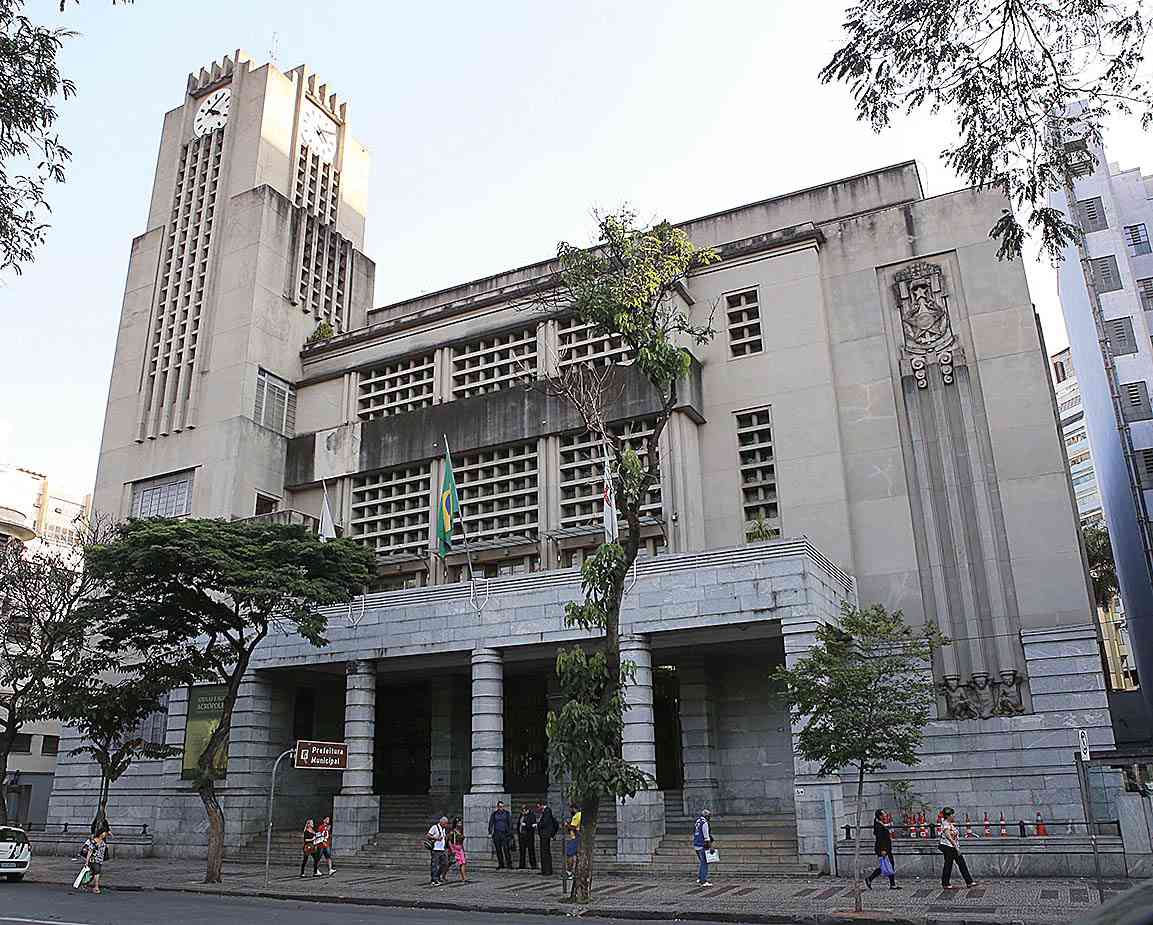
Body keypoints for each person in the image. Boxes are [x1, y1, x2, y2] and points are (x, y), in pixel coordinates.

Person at [938, 806, 976, 889]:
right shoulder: (945, 824)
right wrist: (956, 848)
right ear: (948, 816)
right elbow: (949, 837)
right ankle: (947, 883)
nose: (953, 816)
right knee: (952, 864)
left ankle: (968, 881)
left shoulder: (949, 824)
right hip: (948, 847)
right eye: (952, 815)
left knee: (955, 864)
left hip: (951, 846)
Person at [865, 809, 898, 890]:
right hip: (883, 849)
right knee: (888, 865)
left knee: (888, 865)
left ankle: (891, 884)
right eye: (883, 814)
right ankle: (870, 879)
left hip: (886, 848)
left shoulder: (881, 823)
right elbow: (880, 839)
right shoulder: (878, 825)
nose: (885, 815)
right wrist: (883, 850)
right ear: (880, 816)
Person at [82, 829, 109, 895]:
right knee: (97, 873)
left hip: (99, 860)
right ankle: (96, 887)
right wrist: (87, 862)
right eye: (104, 833)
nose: (105, 834)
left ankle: (85, 884)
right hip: (94, 860)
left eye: (105, 833)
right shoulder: (94, 841)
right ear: (100, 833)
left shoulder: (102, 841)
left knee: (92, 874)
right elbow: (90, 851)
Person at [488, 800, 513, 870]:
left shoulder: (507, 813)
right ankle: (501, 864)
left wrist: (510, 833)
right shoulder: (494, 814)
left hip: (505, 834)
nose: (501, 808)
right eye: (500, 806)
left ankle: (509, 864)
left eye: (502, 806)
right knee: (498, 850)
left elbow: (510, 823)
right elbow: (491, 823)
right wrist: (490, 832)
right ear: (497, 807)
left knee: (506, 850)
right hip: (497, 834)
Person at [536, 801, 558, 876]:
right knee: (543, 852)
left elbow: (545, 822)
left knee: (545, 852)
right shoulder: (545, 811)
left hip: (545, 835)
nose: (538, 809)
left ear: (542, 805)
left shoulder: (547, 811)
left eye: (538, 806)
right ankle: (544, 870)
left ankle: (547, 871)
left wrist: (538, 824)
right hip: (544, 835)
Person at [692, 809, 713, 886]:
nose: (710, 818)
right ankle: (703, 880)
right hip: (702, 845)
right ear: (706, 816)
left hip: (696, 844)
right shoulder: (704, 823)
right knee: (704, 863)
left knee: (702, 862)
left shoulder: (698, 821)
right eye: (709, 816)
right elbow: (706, 836)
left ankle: (700, 877)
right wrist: (710, 846)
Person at [427, 815, 449, 886]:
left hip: (442, 849)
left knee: (445, 863)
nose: (446, 825)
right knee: (435, 865)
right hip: (435, 849)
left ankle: (437, 876)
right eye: (445, 823)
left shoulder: (443, 829)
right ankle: (434, 880)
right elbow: (428, 835)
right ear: (442, 822)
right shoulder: (434, 827)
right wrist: (436, 838)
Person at [564, 802, 582, 881]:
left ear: (574, 809)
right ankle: (575, 872)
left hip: (575, 837)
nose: (570, 811)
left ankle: (569, 872)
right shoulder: (580, 815)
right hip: (578, 837)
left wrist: (566, 825)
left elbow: (573, 827)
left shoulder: (576, 816)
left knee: (569, 854)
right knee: (575, 855)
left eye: (571, 809)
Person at [517, 804, 538, 870]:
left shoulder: (532, 815)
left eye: (524, 811)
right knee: (522, 851)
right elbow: (518, 823)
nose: (523, 812)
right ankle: (522, 865)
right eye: (522, 811)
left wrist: (526, 825)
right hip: (521, 835)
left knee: (531, 851)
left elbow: (533, 825)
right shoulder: (521, 815)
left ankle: (533, 865)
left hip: (529, 836)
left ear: (527, 810)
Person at [448, 817, 468, 883]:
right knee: (450, 863)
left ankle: (464, 877)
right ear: (456, 824)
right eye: (459, 823)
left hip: (460, 848)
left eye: (460, 822)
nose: (460, 824)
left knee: (463, 862)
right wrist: (452, 849)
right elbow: (449, 841)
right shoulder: (452, 832)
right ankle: (443, 874)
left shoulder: (461, 831)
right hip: (454, 848)